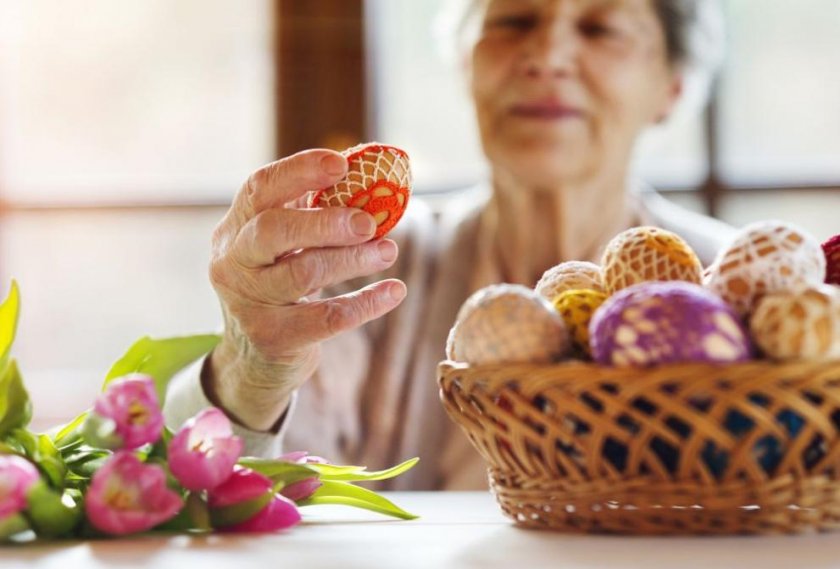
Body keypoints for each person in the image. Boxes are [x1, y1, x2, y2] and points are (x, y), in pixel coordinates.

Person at [164, 0, 735, 490]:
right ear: (466, 62)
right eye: (513, 20)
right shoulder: (363, 264)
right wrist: (252, 366)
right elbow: (229, 484)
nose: (547, 57)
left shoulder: (730, 286)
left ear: (673, 86)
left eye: (600, 28)